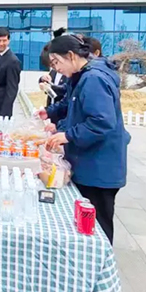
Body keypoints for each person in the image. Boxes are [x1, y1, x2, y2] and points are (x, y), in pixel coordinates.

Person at [43, 34, 129, 244]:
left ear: (71, 56)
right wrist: (51, 115)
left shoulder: (93, 79)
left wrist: (68, 135)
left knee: (98, 225)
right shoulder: (82, 75)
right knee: (89, 222)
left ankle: (100, 267)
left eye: (56, 62)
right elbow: (73, 107)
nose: (56, 69)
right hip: (92, 161)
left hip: (99, 166)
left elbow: (101, 122)